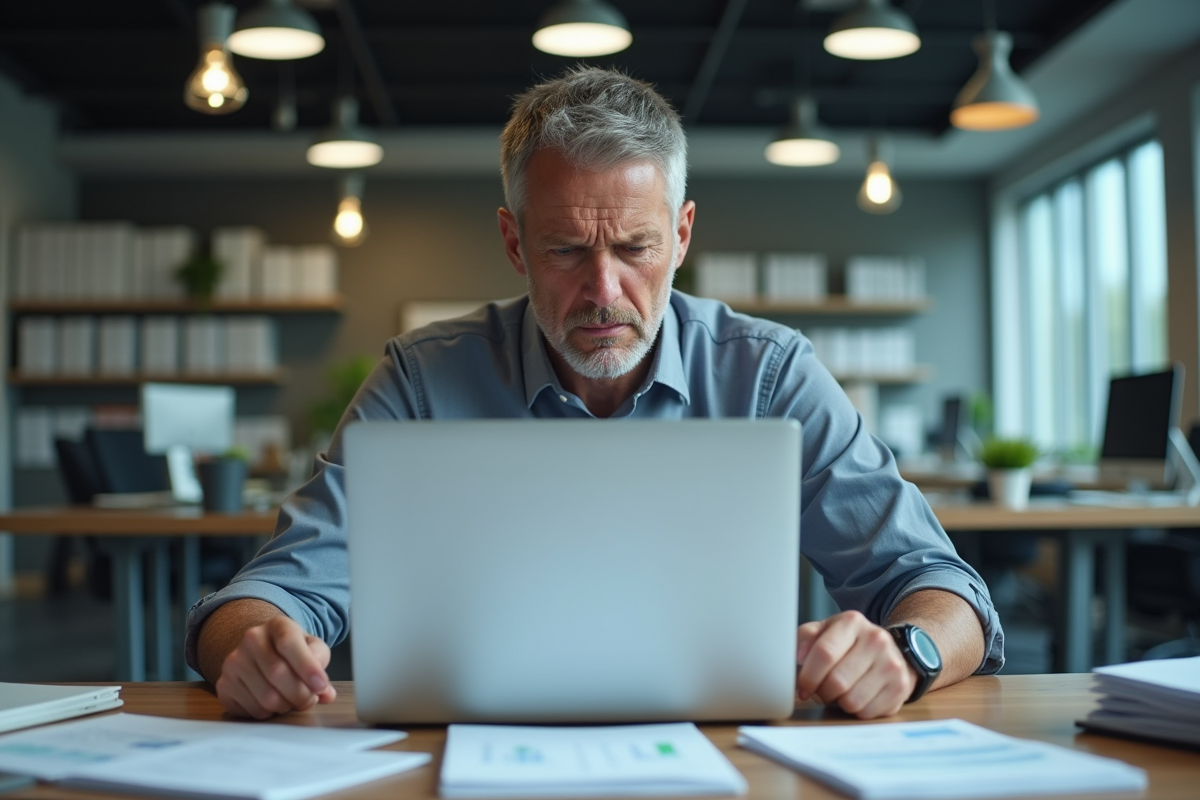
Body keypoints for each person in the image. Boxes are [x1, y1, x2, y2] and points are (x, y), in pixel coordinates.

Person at [187, 67, 1003, 721]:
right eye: (567, 250)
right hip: (455, 761)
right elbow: (273, 589)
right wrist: (253, 647)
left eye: (636, 248)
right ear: (515, 242)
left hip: (733, 760)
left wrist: (909, 652)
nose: (604, 290)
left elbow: (940, 585)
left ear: (681, 235)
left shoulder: (770, 373)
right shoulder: (420, 379)